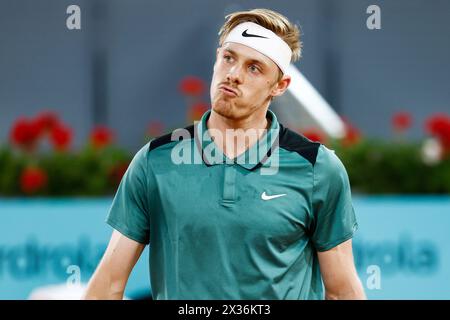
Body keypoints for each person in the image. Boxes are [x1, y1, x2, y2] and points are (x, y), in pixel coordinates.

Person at [84, 8, 366, 300]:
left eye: (254, 67)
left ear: (279, 86)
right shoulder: (155, 161)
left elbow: (342, 293)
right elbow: (106, 288)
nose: (233, 75)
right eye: (229, 58)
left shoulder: (317, 168)